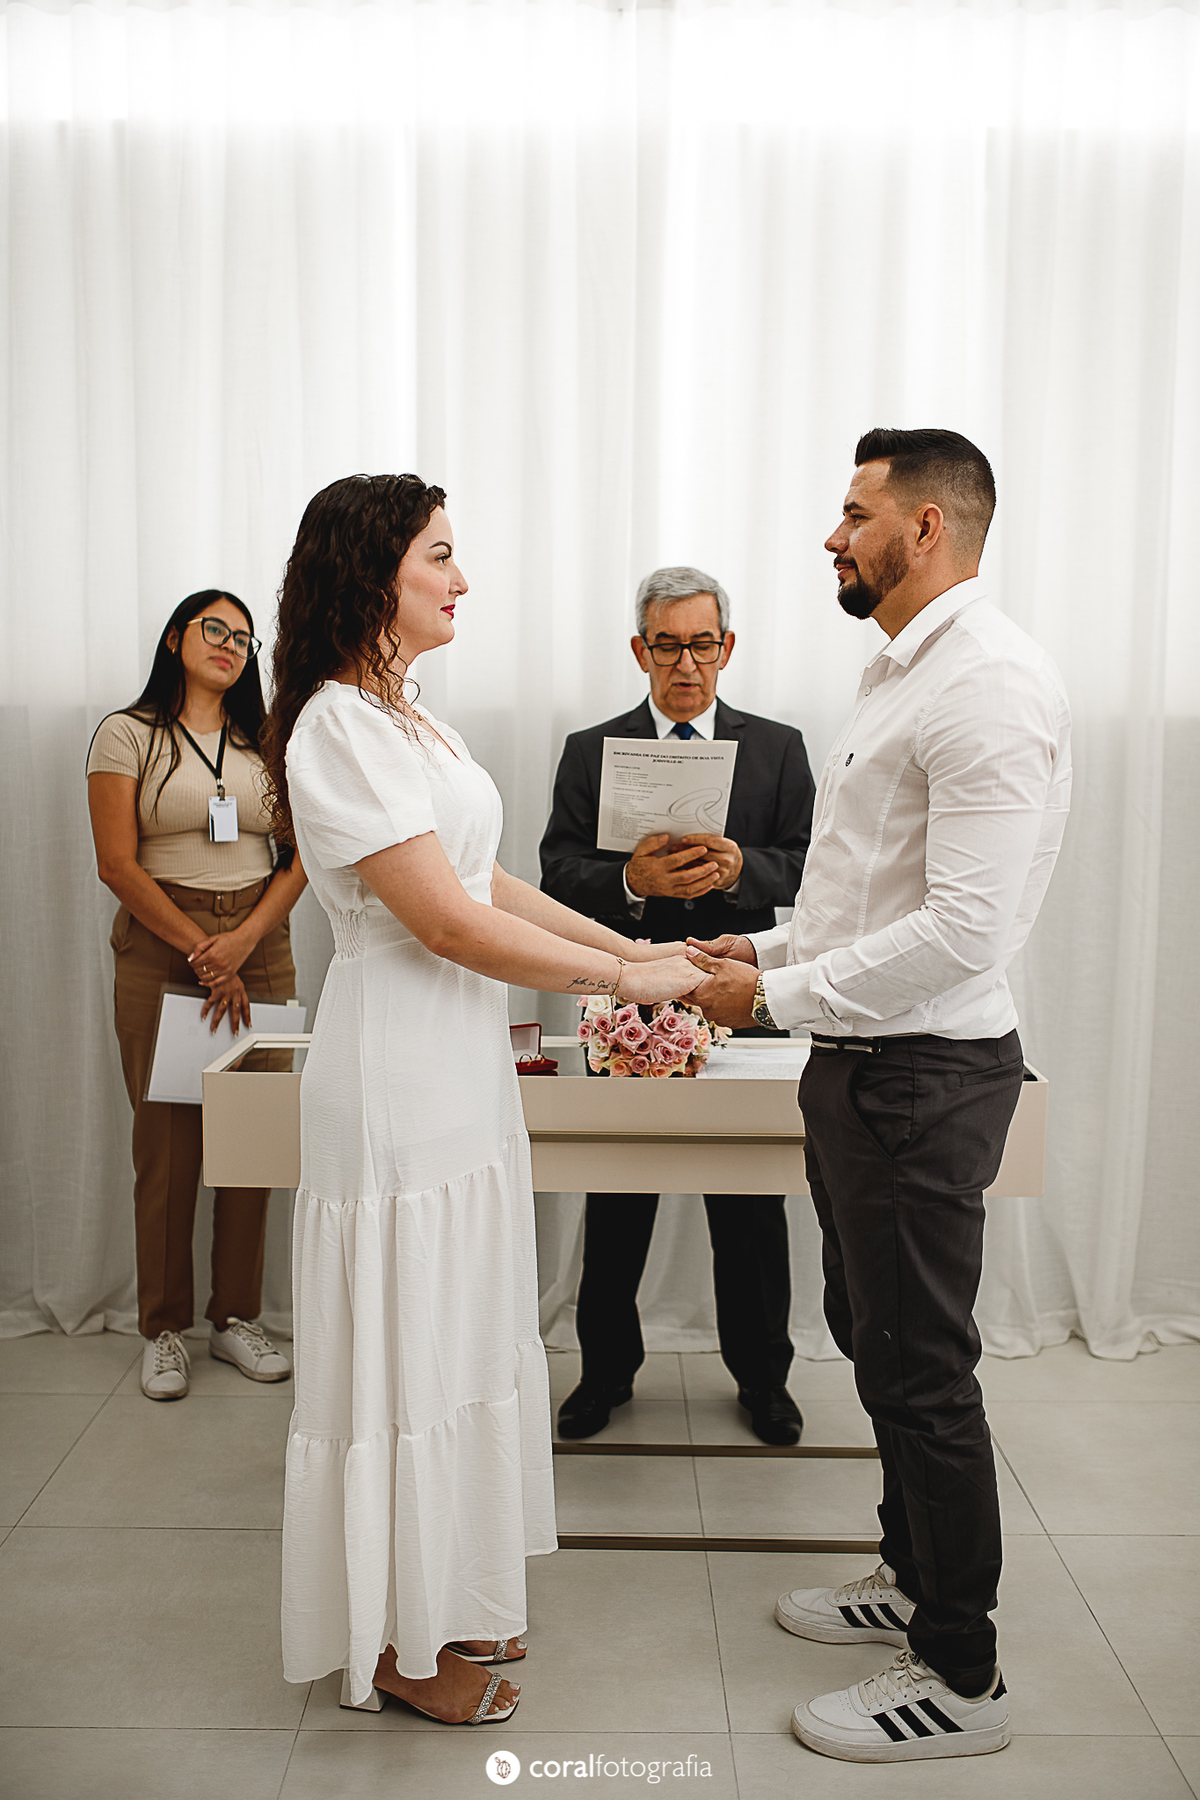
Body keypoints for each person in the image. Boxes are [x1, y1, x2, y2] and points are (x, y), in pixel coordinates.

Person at [262, 474, 702, 1727]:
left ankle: (448, 1590)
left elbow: (489, 882)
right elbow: (445, 924)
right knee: (407, 1351)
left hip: (459, 1068)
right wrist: (622, 978)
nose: (463, 579)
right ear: (372, 574)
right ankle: (395, 1646)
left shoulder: (412, 719)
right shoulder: (337, 725)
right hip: (395, 1072)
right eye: (440, 556)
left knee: (457, 1332)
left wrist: (634, 948)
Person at [687, 429, 1071, 1764]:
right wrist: (764, 952)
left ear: (925, 528)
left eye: (854, 513)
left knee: (921, 1373)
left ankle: (961, 1676)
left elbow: (964, 933)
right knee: (869, 1332)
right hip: (858, 1065)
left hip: (921, 1076)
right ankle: (909, 1579)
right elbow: (863, 897)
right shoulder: (899, 668)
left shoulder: (989, 684)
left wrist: (769, 1000)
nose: (831, 536)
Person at [539, 566, 816, 1444]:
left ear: (727, 648)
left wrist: (745, 868)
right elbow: (556, 874)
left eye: (702, 645)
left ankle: (764, 1379)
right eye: (667, 646)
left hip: (741, 993)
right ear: (640, 650)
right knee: (618, 1193)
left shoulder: (778, 747)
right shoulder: (593, 748)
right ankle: (604, 1374)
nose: (686, 663)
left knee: (751, 1202)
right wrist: (630, 880)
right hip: (628, 993)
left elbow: (812, 867)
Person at [87, 590, 308, 1401]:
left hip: (260, 943)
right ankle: (164, 1327)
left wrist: (242, 944)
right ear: (176, 637)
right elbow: (117, 863)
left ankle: (235, 1317)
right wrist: (202, 951)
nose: (230, 646)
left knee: (254, 1133)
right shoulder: (127, 734)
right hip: (162, 945)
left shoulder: (269, 742)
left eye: (245, 639)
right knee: (168, 1142)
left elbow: (303, 856)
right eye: (215, 630)